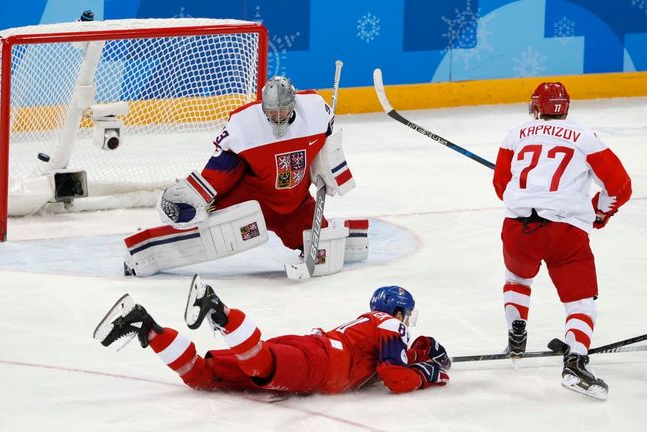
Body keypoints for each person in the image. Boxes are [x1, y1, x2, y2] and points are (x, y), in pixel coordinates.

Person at [123, 76, 367, 277]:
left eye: (284, 111)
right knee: (208, 233)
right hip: (250, 199)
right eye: (273, 112)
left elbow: (327, 143)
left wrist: (329, 167)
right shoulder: (244, 125)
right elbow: (225, 168)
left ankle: (345, 235)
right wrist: (198, 193)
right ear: (263, 106)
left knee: (325, 248)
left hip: (294, 204)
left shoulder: (315, 111)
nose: (278, 117)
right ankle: (144, 251)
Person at [492, 81, 632, 400]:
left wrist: (526, 192)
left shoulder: (516, 134)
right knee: (580, 302)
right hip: (564, 232)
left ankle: (517, 332)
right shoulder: (584, 137)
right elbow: (620, 186)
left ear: (537, 107)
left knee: (517, 279)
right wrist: (599, 213)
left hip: (517, 229)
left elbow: (501, 186)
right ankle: (575, 362)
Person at [94, 275, 451, 394]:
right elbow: (395, 376)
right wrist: (426, 374)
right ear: (401, 311)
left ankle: (146, 326)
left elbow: (379, 367)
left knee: (203, 377)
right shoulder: (391, 324)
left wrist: (417, 358)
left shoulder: (367, 324)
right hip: (318, 364)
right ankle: (217, 308)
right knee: (261, 367)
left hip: (308, 349)